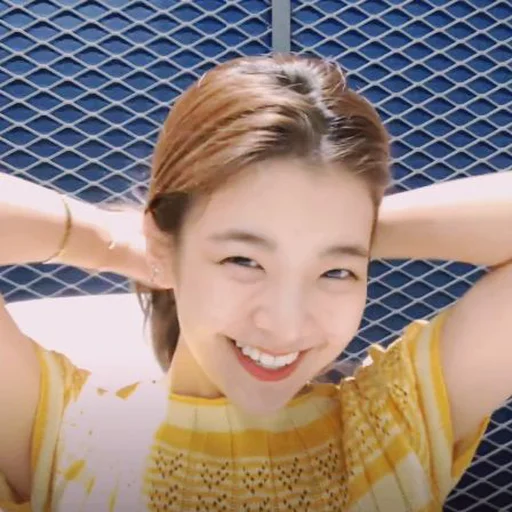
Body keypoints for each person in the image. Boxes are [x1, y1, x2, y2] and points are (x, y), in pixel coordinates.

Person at [0, 55, 510, 512]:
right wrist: (114, 240)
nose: (285, 326)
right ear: (165, 243)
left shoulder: (395, 422)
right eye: (243, 260)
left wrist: (351, 227)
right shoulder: (65, 433)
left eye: (337, 271)